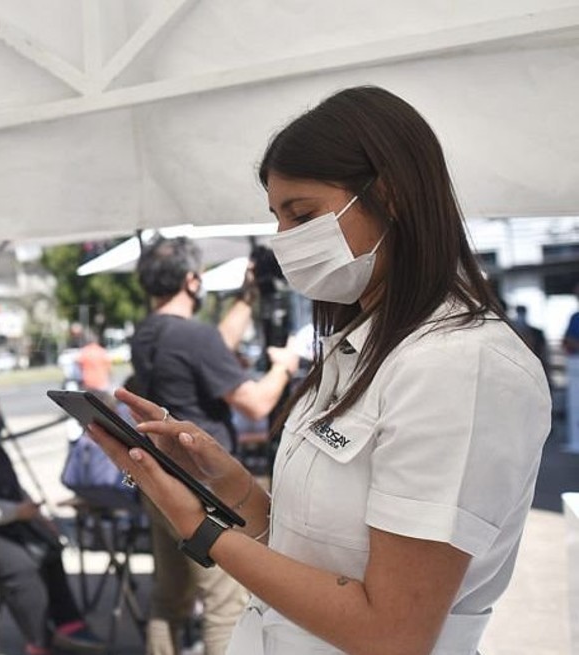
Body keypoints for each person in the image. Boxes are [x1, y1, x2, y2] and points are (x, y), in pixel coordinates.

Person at [91, 86, 551, 654]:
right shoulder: (361, 347)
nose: (284, 241)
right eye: (277, 218)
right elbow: (309, 547)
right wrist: (227, 482)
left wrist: (203, 531)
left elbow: (394, 632)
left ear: (391, 196)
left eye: (301, 214)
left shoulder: (461, 366)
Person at [131, 235, 301, 655]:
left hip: (158, 476)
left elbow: (214, 346)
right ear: (192, 280)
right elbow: (258, 403)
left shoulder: (148, 333)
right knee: (224, 601)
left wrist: (246, 297)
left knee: (171, 596)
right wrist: (284, 366)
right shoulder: (193, 337)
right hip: (201, 483)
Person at [0, 390, 105, 655]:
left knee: (50, 547)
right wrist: (17, 512)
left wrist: (39, 517)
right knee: (22, 567)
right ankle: (38, 641)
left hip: (8, 522)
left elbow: (14, 489)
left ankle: (67, 623)